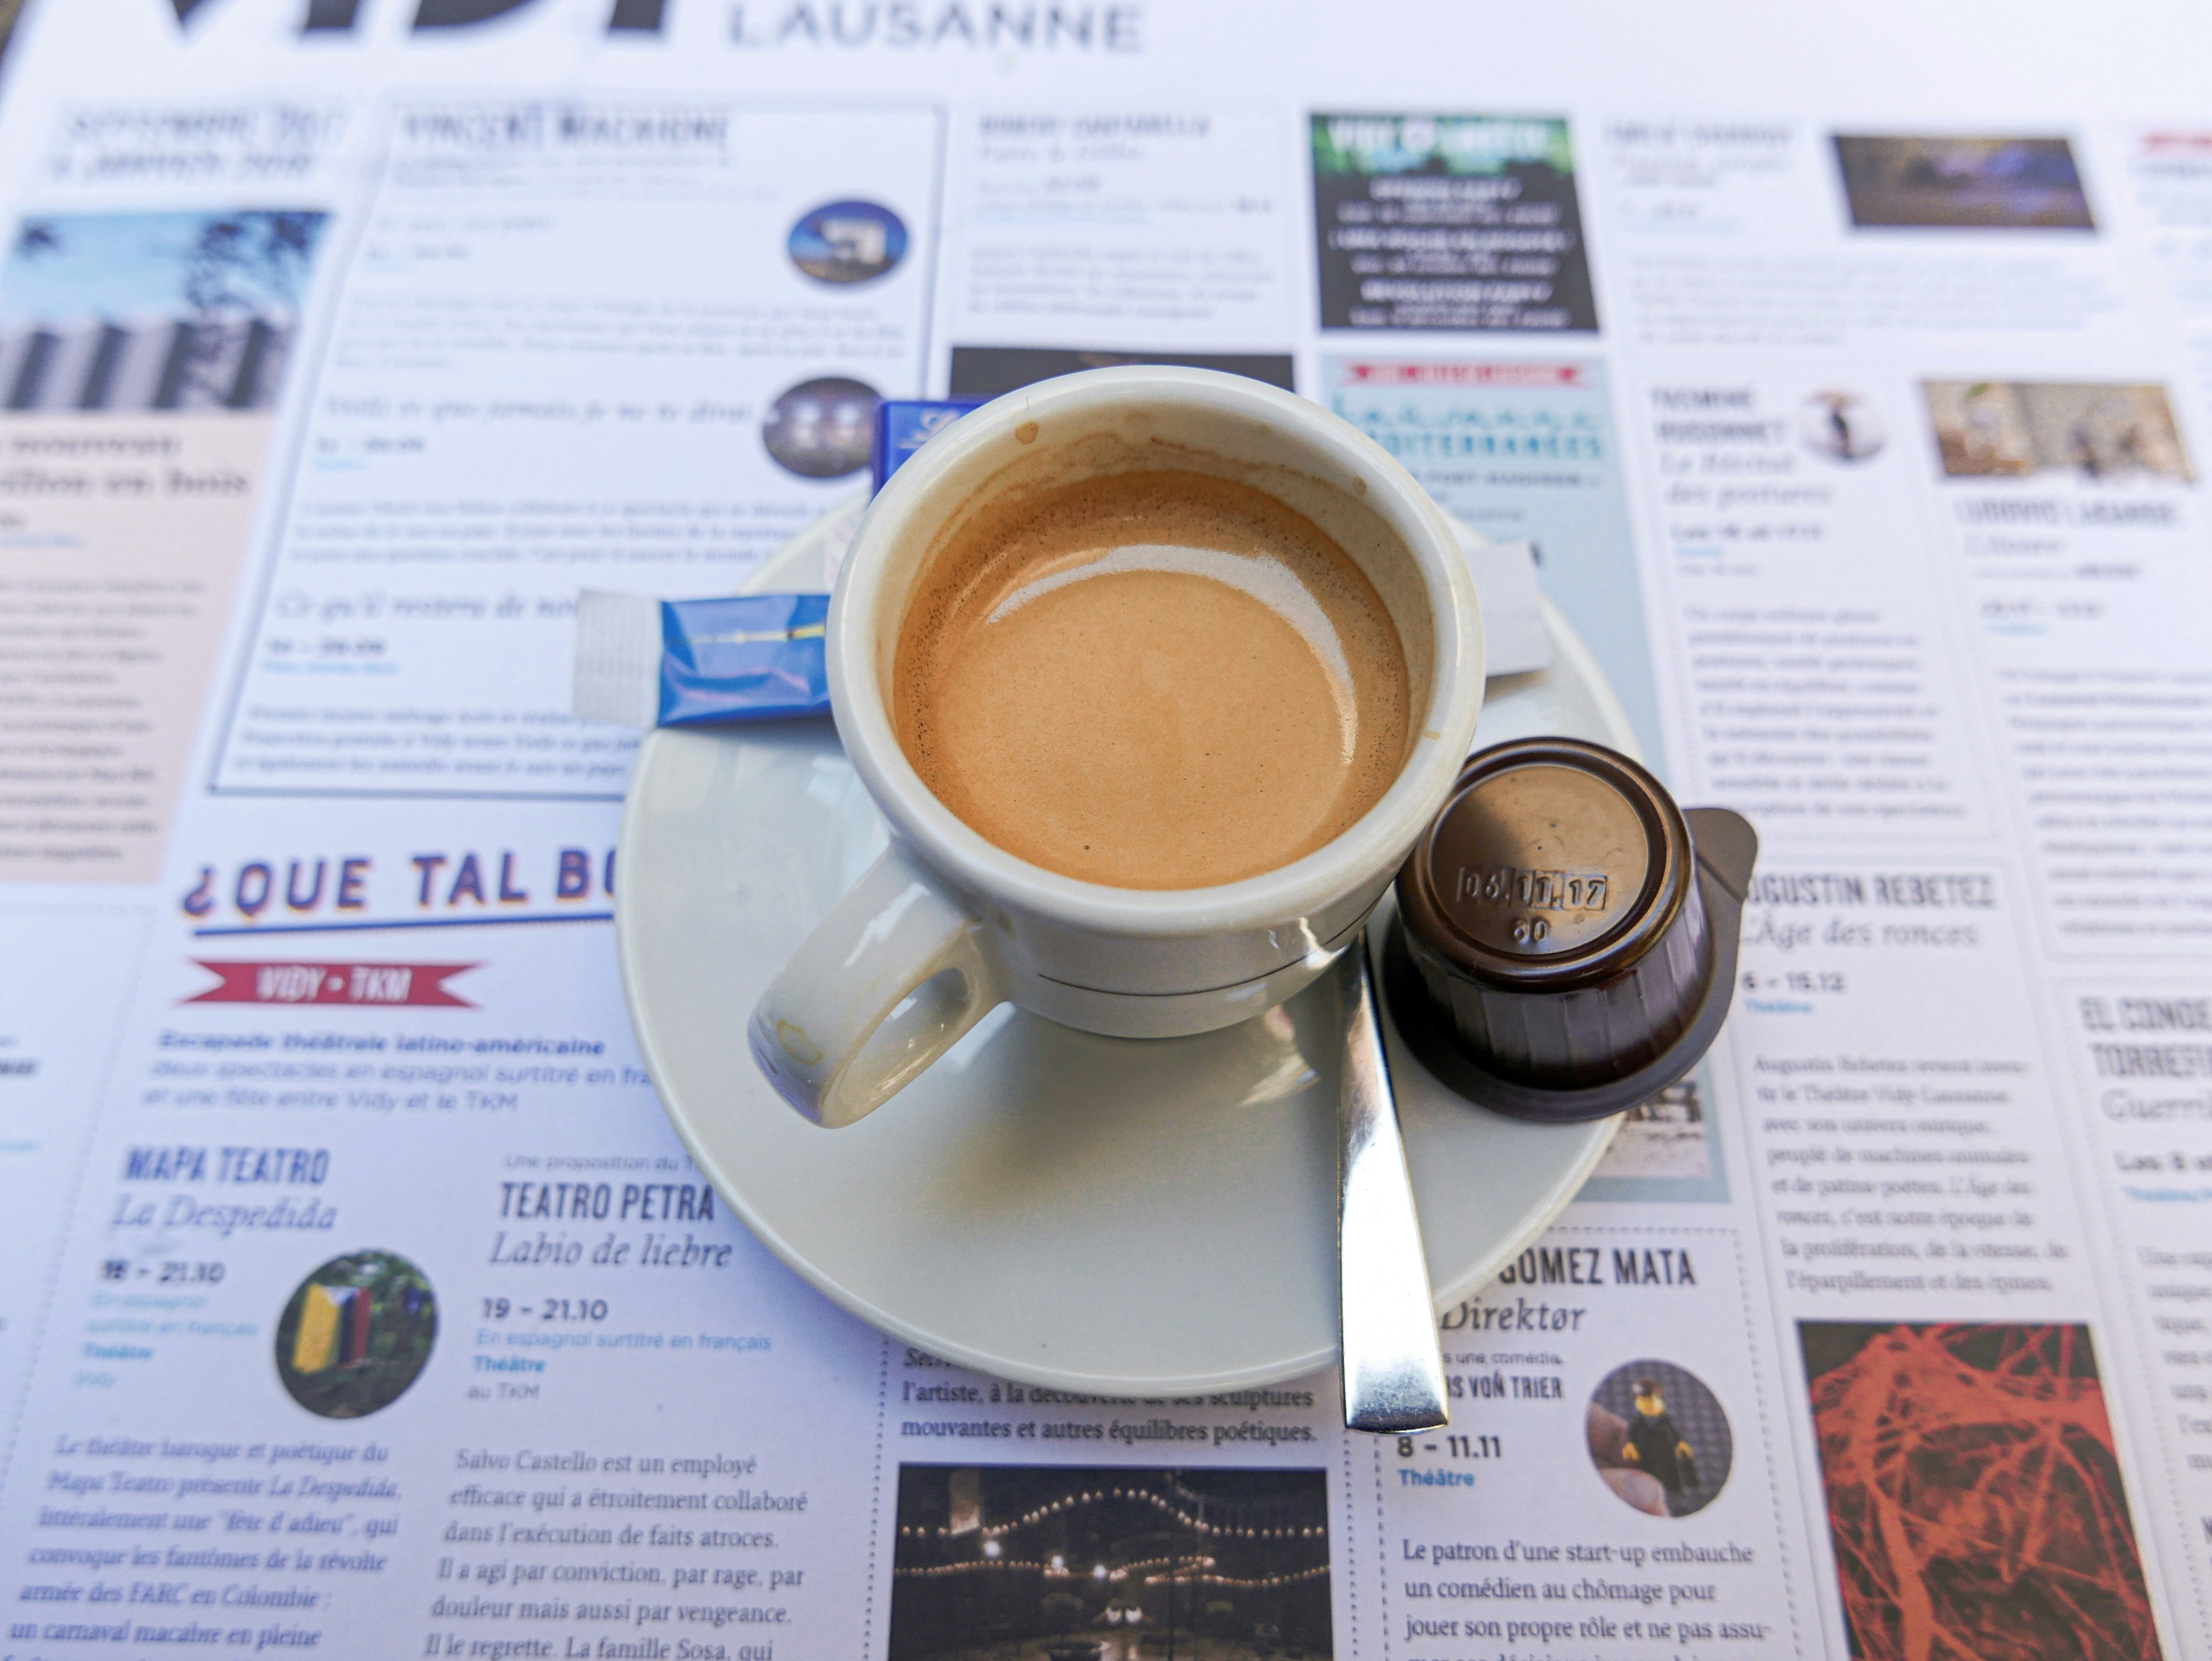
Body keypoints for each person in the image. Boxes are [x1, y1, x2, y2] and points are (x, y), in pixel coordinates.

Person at [1619, 1378, 1699, 1504]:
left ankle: (1676, 1491)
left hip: (1667, 1453)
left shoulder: (1666, 1421)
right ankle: (1651, 1492)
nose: (1649, 1404)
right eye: (1644, 1401)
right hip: (1648, 1454)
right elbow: (1632, 1436)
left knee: (1672, 1473)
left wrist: (1681, 1444)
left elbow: (1675, 1433)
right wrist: (1631, 1446)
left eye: (1654, 1400)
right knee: (1650, 1475)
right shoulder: (1638, 1423)